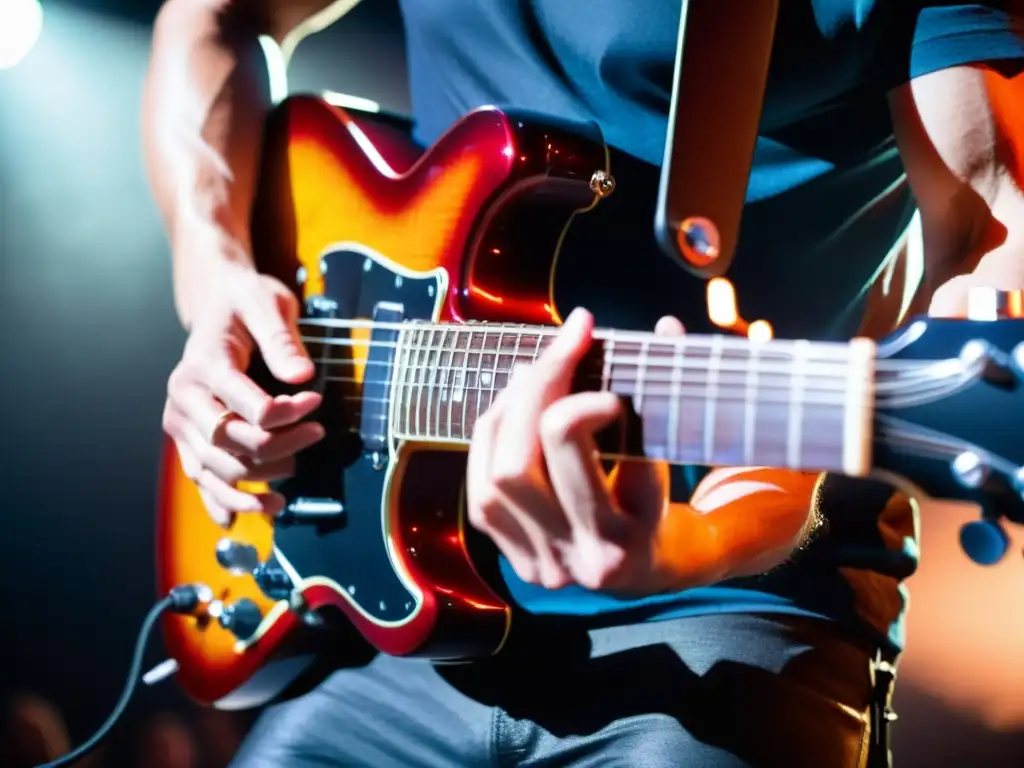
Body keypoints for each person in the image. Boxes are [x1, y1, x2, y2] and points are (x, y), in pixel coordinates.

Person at [143, 1, 1024, 765]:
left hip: (736, 611)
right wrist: (215, 273)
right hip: (404, 605)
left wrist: (702, 540)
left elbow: (990, 232)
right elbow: (214, 14)